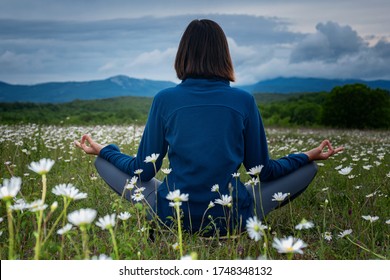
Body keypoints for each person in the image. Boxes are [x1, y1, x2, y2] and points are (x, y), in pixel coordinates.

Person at [75, 19, 343, 236]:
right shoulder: (244, 100)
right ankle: (241, 221)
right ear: (224, 55)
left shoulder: (164, 99)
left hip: (174, 214)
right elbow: (262, 171)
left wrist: (105, 150)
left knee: (103, 162)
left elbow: (143, 171)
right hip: (231, 217)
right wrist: (307, 155)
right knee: (308, 168)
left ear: (183, 55)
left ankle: (165, 220)